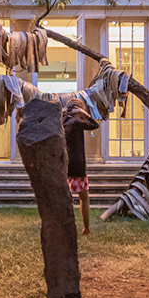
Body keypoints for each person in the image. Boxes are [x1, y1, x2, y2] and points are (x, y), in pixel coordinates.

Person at [62, 99, 99, 236]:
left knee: (65, 198)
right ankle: (86, 228)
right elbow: (95, 125)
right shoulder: (76, 123)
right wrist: (86, 114)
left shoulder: (62, 122)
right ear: (77, 110)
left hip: (64, 165)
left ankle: (64, 228)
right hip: (77, 165)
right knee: (84, 197)